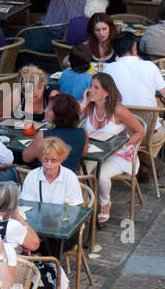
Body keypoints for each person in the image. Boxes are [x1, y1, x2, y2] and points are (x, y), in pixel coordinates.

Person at [0, 181, 86, 289]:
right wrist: (20, 218)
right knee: (54, 268)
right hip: (16, 275)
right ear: (12, 204)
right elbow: (35, 243)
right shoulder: (11, 226)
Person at [80, 73, 145, 224]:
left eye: (96, 87)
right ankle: (84, 204)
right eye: (90, 86)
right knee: (79, 173)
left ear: (107, 92)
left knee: (101, 175)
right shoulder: (89, 107)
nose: (91, 90)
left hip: (118, 155)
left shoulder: (118, 110)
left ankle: (105, 203)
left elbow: (140, 131)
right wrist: (84, 102)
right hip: (93, 153)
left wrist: (122, 145)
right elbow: (71, 120)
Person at [21, 91, 88, 170]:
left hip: (46, 179)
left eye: (49, 109)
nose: (45, 111)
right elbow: (83, 154)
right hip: (71, 180)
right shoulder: (83, 133)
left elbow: (26, 157)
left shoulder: (43, 136)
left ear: (59, 115)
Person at [107, 30, 165, 109]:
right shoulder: (149, 66)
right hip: (147, 120)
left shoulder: (108, 68)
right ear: (134, 47)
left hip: (118, 119)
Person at [20, 136, 83, 205]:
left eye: (53, 160)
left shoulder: (70, 177)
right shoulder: (32, 176)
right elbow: (27, 205)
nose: (48, 164)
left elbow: (74, 208)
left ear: (61, 160)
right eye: (45, 159)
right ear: (40, 158)